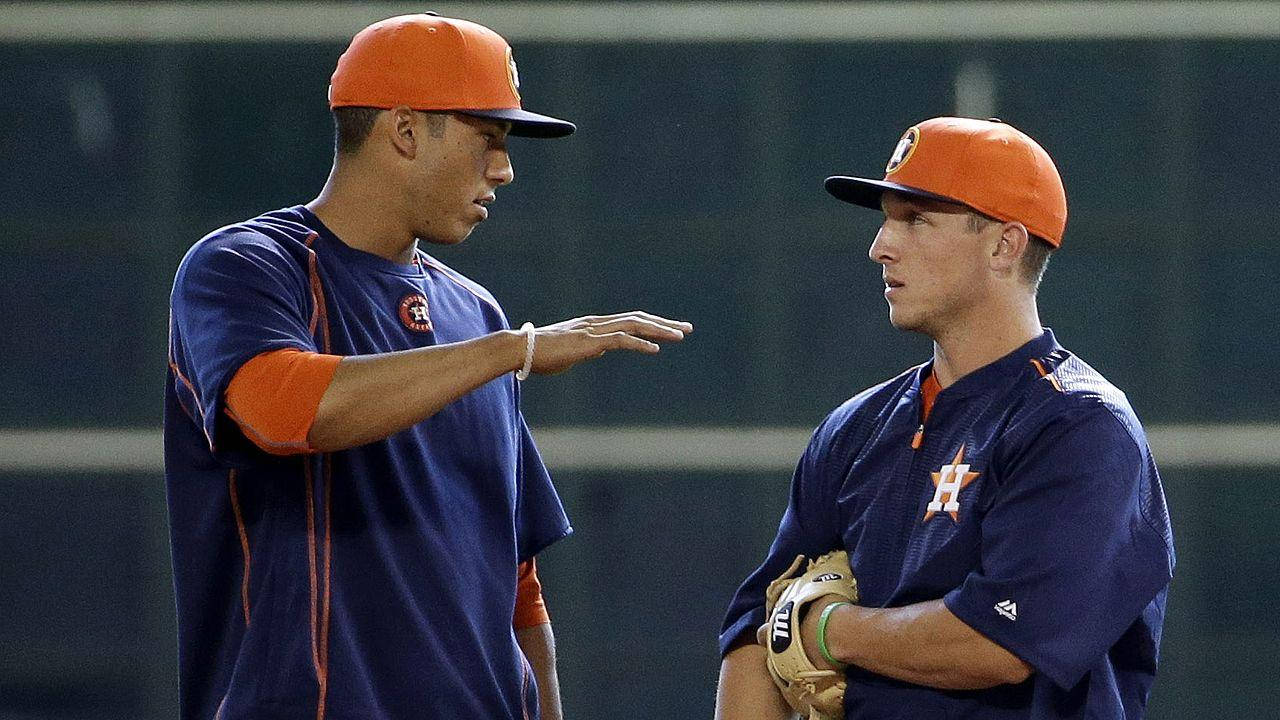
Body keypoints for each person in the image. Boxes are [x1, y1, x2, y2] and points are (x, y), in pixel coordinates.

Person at [164, 13, 691, 720]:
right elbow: (284, 411)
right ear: (406, 131)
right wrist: (515, 353)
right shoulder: (249, 264)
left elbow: (518, 583)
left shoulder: (476, 312)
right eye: (489, 139)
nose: (504, 168)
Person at [714, 117, 1174, 719]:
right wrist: (791, 630)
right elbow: (758, 632)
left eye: (916, 219)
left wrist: (833, 631)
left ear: (1004, 245)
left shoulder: (1078, 427)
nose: (880, 245)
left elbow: (997, 641)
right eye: (885, 218)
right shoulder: (856, 427)